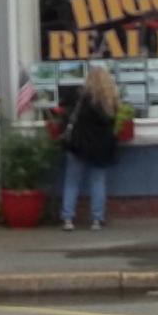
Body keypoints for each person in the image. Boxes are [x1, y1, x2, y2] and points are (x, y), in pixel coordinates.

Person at [59, 64, 121, 230]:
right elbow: (113, 124)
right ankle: (97, 219)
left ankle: (68, 219)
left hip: (78, 144)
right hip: (100, 147)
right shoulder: (110, 101)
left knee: (72, 181)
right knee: (98, 181)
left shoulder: (80, 99)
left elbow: (66, 115)